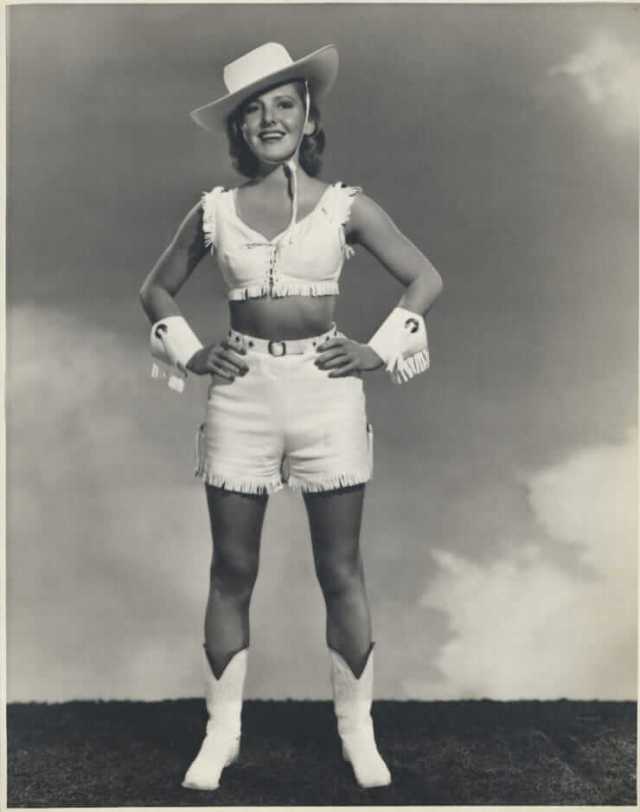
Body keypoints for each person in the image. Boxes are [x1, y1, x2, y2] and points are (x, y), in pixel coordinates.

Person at [139, 41, 443, 792]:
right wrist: (191, 352)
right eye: (252, 111)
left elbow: (424, 277)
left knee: (340, 568)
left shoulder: (346, 206)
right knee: (231, 569)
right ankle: (221, 736)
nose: (268, 119)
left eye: (283, 104)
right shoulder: (213, 211)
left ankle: (357, 736)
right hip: (242, 396)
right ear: (238, 130)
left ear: (309, 117)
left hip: (326, 394)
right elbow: (157, 289)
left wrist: (376, 351)